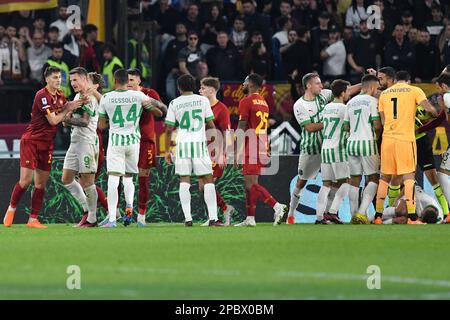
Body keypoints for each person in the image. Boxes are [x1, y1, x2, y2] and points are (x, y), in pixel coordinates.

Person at [3, 66, 83, 228]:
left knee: (40, 184)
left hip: (47, 144)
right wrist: (68, 108)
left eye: (59, 77)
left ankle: (33, 219)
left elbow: (64, 117)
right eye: (54, 78)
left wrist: (78, 105)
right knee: (26, 181)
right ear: (46, 79)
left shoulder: (61, 95)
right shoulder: (42, 95)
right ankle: (11, 210)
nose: (58, 80)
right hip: (31, 141)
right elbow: (53, 121)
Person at [287, 73, 360, 224]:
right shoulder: (300, 105)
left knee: (333, 182)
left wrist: (364, 83)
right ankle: (291, 213)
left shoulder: (324, 95)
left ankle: (327, 214)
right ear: (308, 86)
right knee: (301, 181)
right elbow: (310, 127)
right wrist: (331, 121)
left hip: (327, 147)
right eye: (318, 84)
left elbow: (346, 90)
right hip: (311, 149)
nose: (322, 86)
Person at [97, 69, 163, 228]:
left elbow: (101, 125)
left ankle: (112, 219)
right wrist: (151, 107)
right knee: (128, 178)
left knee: (113, 178)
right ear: (127, 81)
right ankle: (129, 208)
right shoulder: (139, 96)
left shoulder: (106, 97)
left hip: (116, 142)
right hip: (134, 143)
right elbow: (158, 112)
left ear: (114, 80)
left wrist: (109, 120)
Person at [374, 70, 438, 225]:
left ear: (395, 80)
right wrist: (431, 115)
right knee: (408, 176)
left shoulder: (384, 94)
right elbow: (431, 110)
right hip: (405, 140)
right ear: (408, 81)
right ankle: (412, 218)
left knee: (384, 178)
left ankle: (378, 216)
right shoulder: (414, 90)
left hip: (387, 139)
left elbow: (383, 122)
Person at [164, 74, 221, 227]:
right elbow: (210, 125)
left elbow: (169, 128)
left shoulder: (174, 103)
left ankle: (188, 218)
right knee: (208, 179)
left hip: (182, 146)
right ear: (194, 86)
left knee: (184, 180)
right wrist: (215, 145)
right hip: (199, 145)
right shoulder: (203, 100)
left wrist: (166, 150)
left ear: (179, 88)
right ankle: (213, 218)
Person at [234, 73, 288, 227]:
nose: (242, 85)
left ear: (250, 84)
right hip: (262, 145)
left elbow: (241, 127)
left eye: (244, 82)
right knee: (251, 184)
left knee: (251, 185)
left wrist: (236, 152)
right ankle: (250, 219)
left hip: (251, 146)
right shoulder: (263, 102)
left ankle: (277, 206)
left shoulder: (246, 101)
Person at [126, 68, 167, 227]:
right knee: (127, 179)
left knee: (143, 179)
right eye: (127, 80)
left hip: (145, 141)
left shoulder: (150, 93)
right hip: (128, 141)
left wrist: (149, 105)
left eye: (131, 80)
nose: (128, 83)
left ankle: (141, 217)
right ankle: (127, 215)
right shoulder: (122, 95)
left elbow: (160, 113)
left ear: (138, 81)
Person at [61, 67, 100, 228]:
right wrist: (67, 115)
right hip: (75, 142)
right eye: (71, 80)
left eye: (76, 79)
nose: (73, 83)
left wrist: (65, 117)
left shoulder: (89, 97)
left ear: (85, 79)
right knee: (66, 179)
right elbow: (67, 120)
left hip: (87, 143)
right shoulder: (77, 96)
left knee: (88, 182)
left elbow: (84, 122)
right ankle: (86, 210)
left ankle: (92, 218)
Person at [344, 74, 382, 224]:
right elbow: (377, 125)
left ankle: (353, 214)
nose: (378, 90)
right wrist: (376, 137)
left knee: (354, 180)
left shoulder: (350, 102)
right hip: (367, 142)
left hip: (351, 143)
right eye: (378, 87)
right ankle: (361, 213)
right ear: (372, 87)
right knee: (373, 178)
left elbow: (346, 126)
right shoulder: (373, 101)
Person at [199, 77, 235, 226]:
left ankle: (220, 213)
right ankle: (221, 211)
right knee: (202, 187)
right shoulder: (201, 107)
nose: (199, 90)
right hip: (202, 151)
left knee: (207, 185)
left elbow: (228, 133)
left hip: (216, 152)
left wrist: (224, 154)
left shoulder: (222, 109)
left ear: (212, 90)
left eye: (203, 88)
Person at [316, 80, 351, 224]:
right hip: (339, 149)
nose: (348, 94)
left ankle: (320, 216)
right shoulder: (345, 108)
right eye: (347, 91)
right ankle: (332, 212)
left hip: (326, 149)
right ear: (342, 93)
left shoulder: (326, 108)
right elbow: (348, 128)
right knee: (347, 181)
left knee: (327, 184)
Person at [378, 185, 442, 224]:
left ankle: (380, 221)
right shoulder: (424, 200)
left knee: (402, 220)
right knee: (401, 211)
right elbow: (410, 186)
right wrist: (396, 201)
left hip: (412, 208)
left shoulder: (435, 218)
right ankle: (376, 217)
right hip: (409, 195)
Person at [435, 73, 450, 224]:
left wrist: (443, 108)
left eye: (439, 88)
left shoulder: (446, 97)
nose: (438, 92)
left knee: (442, 174)